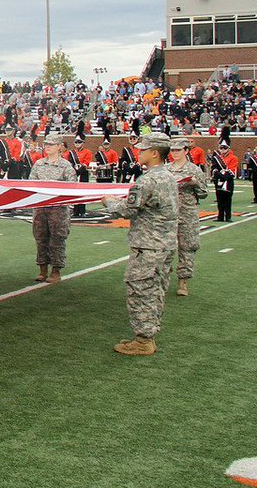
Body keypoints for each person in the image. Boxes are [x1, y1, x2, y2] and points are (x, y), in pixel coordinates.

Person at [101, 133, 178, 356]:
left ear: (155, 153)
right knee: (156, 290)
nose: (138, 152)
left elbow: (126, 209)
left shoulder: (148, 180)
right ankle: (147, 336)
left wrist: (108, 201)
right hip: (164, 244)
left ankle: (143, 340)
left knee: (140, 290)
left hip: (148, 246)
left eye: (143, 150)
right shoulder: (168, 177)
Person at [29, 134, 76, 283]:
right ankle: (42, 269)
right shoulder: (38, 164)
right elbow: (31, 183)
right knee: (40, 238)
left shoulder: (65, 166)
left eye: (51, 144)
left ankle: (56, 271)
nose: (47, 146)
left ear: (59, 147)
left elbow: (72, 187)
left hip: (58, 209)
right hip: (41, 207)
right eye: (46, 144)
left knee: (57, 239)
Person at [168, 137, 211, 297]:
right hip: (168, 214)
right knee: (164, 247)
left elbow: (204, 193)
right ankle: (164, 277)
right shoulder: (165, 169)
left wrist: (195, 183)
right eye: (172, 150)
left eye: (178, 150)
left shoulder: (194, 170)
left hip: (187, 214)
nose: (175, 153)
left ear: (186, 151)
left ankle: (183, 282)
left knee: (187, 247)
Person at [212, 141, 238, 222]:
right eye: (221, 148)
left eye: (225, 148)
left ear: (228, 149)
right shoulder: (216, 158)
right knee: (219, 199)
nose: (223, 150)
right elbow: (214, 169)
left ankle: (228, 217)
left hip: (228, 181)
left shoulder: (233, 158)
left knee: (227, 199)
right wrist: (219, 176)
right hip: (219, 181)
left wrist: (224, 176)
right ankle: (220, 216)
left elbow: (231, 171)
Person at [69, 136, 93, 218]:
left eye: (79, 142)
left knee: (83, 192)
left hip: (83, 173)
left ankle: (82, 211)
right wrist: (74, 171)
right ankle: (75, 211)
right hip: (74, 173)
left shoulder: (87, 152)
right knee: (74, 192)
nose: (77, 144)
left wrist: (78, 171)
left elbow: (86, 163)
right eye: (76, 142)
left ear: (83, 143)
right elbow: (70, 162)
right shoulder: (72, 152)